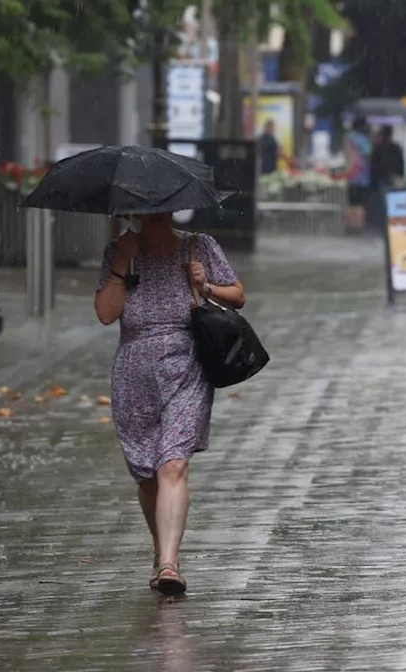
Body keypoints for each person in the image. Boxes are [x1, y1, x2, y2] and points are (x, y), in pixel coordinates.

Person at [94, 213, 245, 596]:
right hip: (134, 372)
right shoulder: (120, 251)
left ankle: (168, 563)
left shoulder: (200, 245)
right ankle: (162, 549)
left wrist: (204, 284)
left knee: (173, 463)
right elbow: (106, 313)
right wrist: (120, 262)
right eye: (147, 210)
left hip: (186, 366)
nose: (156, 216)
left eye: (163, 208)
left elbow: (238, 296)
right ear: (135, 214)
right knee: (147, 474)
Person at [368, 125, 404, 231]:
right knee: (391, 202)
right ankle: (390, 223)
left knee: (381, 203)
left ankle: (382, 224)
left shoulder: (378, 148)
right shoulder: (395, 148)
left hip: (382, 179)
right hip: (390, 178)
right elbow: (400, 164)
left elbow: (373, 165)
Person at [344, 117, 372, 231]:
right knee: (360, 203)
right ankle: (359, 225)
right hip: (363, 176)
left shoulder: (349, 137)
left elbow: (346, 155)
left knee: (351, 202)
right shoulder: (364, 139)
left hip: (351, 175)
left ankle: (350, 225)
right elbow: (368, 152)